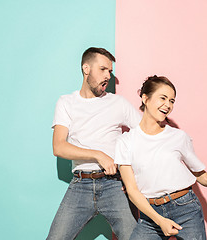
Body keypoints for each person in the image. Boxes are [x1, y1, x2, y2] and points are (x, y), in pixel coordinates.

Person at [114, 75, 207, 240]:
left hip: (186, 208)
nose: (168, 105)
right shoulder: (126, 141)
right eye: (163, 98)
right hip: (150, 215)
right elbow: (132, 191)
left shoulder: (179, 137)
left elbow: (198, 172)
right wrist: (159, 220)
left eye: (172, 101)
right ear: (145, 98)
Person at [47, 47, 141, 240]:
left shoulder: (118, 103)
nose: (108, 75)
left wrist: (132, 175)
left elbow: (145, 137)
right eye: (103, 69)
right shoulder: (66, 102)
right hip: (80, 186)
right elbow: (59, 146)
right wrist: (98, 154)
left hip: (113, 185)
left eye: (110, 71)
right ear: (86, 68)